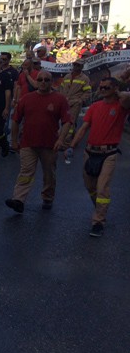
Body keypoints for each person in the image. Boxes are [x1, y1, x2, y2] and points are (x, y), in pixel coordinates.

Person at [69, 77, 130, 237]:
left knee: (102, 188)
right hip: (90, 152)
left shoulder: (122, 106)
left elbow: (127, 97)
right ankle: (99, 208)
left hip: (108, 153)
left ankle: (98, 222)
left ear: (115, 88)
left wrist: (117, 91)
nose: (102, 90)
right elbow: (84, 128)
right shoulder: (95, 107)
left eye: (106, 88)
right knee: (90, 187)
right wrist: (72, 146)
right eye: (101, 87)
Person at [5, 70, 71, 214]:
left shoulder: (60, 99)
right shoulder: (26, 99)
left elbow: (67, 122)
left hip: (49, 144)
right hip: (28, 143)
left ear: (51, 82)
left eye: (46, 80)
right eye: (39, 79)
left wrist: (61, 139)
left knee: (49, 174)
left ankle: (47, 197)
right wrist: (14, 141)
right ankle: (19, 200)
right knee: (25, 172)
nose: (42, 82)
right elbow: (16, 120)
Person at [59, 59, 92, 148]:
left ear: (82, 67)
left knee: (71, 122)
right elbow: (61, 89)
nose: (77, 67)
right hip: (64, 103)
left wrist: (80, 100)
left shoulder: (84, 78)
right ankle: (65, 138)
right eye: (76, 65)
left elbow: (88, 92)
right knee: (63, 121)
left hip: (75, 103)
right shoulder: (67, 77)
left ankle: (66, 142)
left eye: (79, 65)